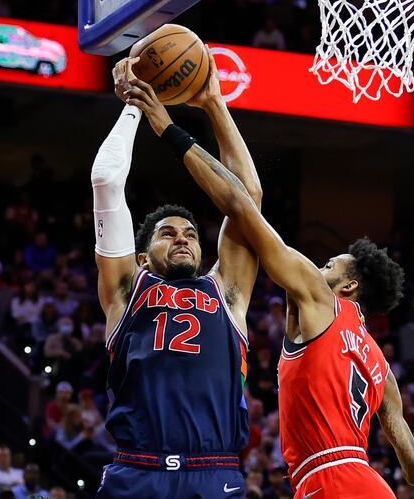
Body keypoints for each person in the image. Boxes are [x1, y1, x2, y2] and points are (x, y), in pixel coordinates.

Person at [124, 69, 414, 499]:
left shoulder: (318, 296)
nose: (319, 265)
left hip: (327, 482)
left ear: (347, 286)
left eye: (330, 263)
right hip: (370, 483)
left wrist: (169, 128)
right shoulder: (382, 371)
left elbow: (243, 205)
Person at [94, 50, 262, 499]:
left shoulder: (225, 291)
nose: (183, 238)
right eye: (167, 234)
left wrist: (214, 104)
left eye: (190, 233)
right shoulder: (127, 289)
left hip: (215, 471)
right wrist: (134, 103)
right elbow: (106, 181)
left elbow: (247, 198)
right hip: (138, 469)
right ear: (143, 256)